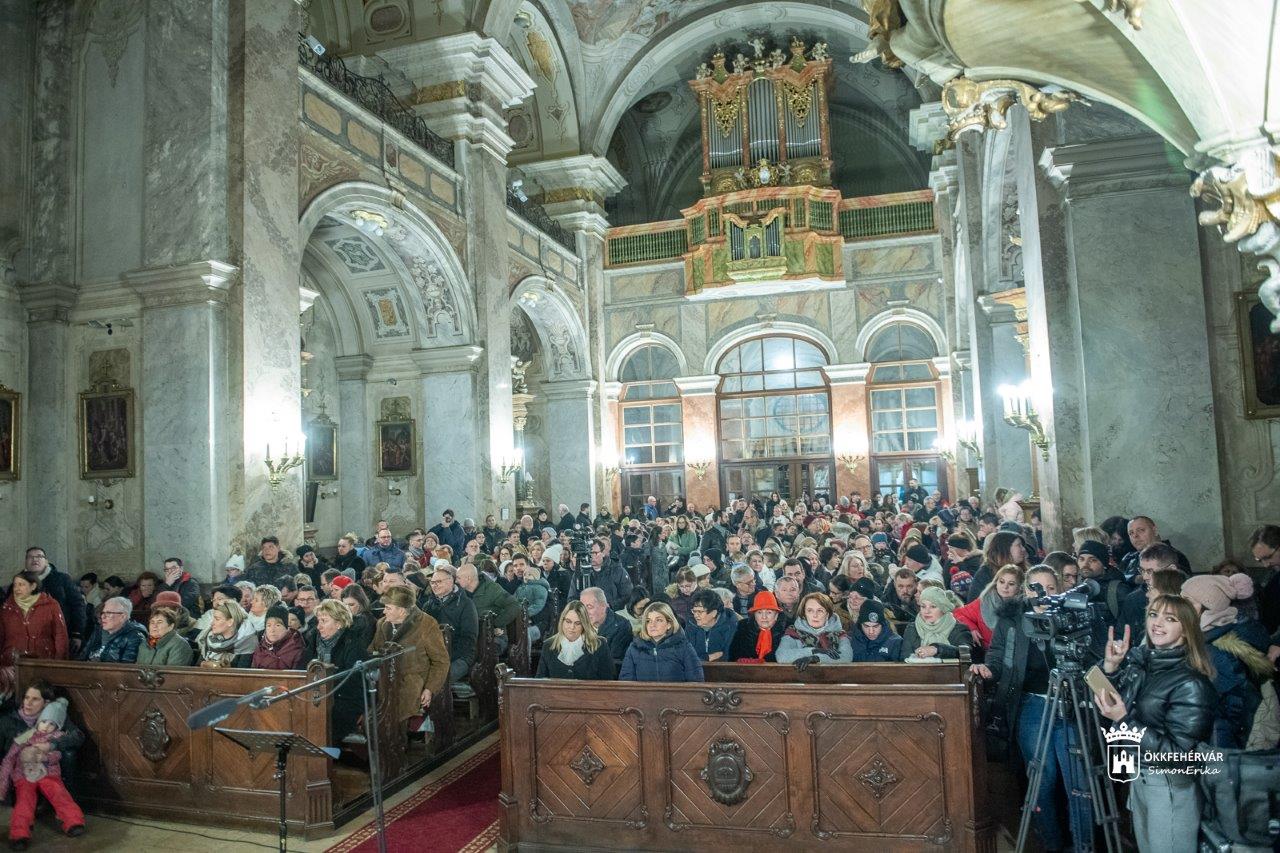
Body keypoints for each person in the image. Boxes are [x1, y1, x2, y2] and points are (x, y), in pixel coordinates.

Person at [971, 566, 1095, 851]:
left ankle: (1083, 846)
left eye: (1051, 588)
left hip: (1070, 704)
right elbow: (997, 656)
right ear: (1026, 590)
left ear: (1061, 590)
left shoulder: (1072, 616)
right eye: (1036, 588)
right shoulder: (1012, 620)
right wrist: (988, 669)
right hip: (1032, 704)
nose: (1044, 594)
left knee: (1078, 781)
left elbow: (1090, 657)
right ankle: (1051, 844)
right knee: (1042, 778)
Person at [1094, 596, 1216, 853]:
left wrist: (1124, 722)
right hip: (1140, 777)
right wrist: (1111, 668)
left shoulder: (1191, 683)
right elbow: (1120, 706)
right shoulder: (1144, 664)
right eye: (1153, 615)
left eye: (1170, 619)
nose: (1157, 624)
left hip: (1168, 784)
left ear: (1186, 630)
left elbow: (1181, 756)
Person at [1181, 573, 1274, 748]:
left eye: (1187, 601)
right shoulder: (1211, 635)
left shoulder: (1214, 651)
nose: (1179, 607)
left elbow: (1229, 711)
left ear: (1208, 608)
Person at [0, 697, 85, 848]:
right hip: (25, 775)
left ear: (57, 726)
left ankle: (74, 822)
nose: (46, 727)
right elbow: (10, 757)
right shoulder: (26, 735)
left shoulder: (57, 737)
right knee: (25, 800)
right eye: (44, 721)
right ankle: (19, 834)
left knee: (59, 793)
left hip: (49, 774)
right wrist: (3, 784)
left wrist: (47, 756)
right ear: (39, 721)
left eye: (52, 724)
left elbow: (59, 755)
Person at [371, 586, 450, 734]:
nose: (383, 611)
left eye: (388, 608)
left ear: (401, 610)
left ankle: (395, 743)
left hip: (413, 681)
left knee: (393, 713)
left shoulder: (426, 624)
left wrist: (430, 688)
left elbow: (441, 661)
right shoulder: (382, 624)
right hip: (384, 679)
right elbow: (373, 652)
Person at [303, 599, 370, 742]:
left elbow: (353, 682)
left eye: (324, 621)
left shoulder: (353, 644)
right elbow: (301, 668)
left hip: (344, 701)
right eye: (318, 621)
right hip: (318, 697)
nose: (319, 626)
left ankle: (324, 759)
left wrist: (323, 687)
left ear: (339, 623)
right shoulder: (314, 641)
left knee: (321, 718)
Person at [0, 570, 69, 700]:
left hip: (42, 663)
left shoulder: (51, 605)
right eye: (15, 585)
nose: (17, 588)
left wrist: (60, 665)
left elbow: (61, 636)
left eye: (21, 584)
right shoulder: (6, 608)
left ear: (33, 586)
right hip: (11, 665)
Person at [21, 548, 87, 654]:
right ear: (25, 562)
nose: (35, 560)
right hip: (26, 640)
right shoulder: (18, 582)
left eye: (39, 556)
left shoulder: (62, 579)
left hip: (59, 636)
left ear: (46, 561)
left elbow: (78, 605)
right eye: (30, 557)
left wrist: (77, 633)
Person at [619, 602, 703, 682]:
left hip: (676, 696)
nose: (652, 625)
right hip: (643, 696)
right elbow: (626, 682)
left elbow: (696, 681)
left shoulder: (684, 647)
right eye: (648, 621)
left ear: (669, 624)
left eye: (658, 620)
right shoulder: (634, 648)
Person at [422, 566, 478, 683]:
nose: (434, 585)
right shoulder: (428, 605)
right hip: (434, 656)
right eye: (432, 582)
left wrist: (445, 656)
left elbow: (469, 638)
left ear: (451, 581)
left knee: (439, 679)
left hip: (460, 656)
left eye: (439, 582)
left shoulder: (466, 604)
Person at [536, 601, 616, 680]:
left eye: (577, 623)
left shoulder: (599, 645)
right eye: (568, 622)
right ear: (562, 621)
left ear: (584, 625)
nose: (572, 627)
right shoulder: (548, 645)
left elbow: (609, 682)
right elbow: (540, 683)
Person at [776, 592, 853, 669]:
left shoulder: (840, 634)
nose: (815, 615)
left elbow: (846, 657)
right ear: (804, 613)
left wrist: (816, 658)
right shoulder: (793, 632)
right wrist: (814, 651)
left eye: (820, 610)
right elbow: (781, 656)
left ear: (828, 614)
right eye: (810, 610)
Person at [954, 565, 1025, 649]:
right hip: (986, 654)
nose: (1005, 587)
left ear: (1019, 587)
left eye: (1011, 584)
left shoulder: (1025, 606)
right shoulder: (983, 601)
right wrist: (972, 628)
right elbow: (958, 613)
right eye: (1002, 582)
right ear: (996, 582)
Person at [899, 587, 972, 661]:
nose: (926, 611)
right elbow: (905, 659)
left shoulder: (958, 629)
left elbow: (966, 652)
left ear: (943, 609)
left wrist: (937, 649)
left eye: (933, 606)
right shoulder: (912, 628)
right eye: (923, 606)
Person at [1076, 539, 1132, 624]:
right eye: (1081, 559)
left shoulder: (1118, 590)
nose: (1085, 564)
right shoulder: (1076, 585)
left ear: (1104, 564)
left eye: (1092, 560)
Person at [78, 597, 146, 663]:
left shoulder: (134, 636)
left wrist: (99, 665)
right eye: (103, 613)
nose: (102, 617)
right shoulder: (98, 630)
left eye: (108, 613)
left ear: (123, 616)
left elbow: (126, 669)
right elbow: (83, 656)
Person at [966, 532, 1028, 603]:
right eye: (1019, 545)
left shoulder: (1022, 571)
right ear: (1005, 549)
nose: (1023, 549)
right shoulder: (985, 574)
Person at [729, 591, 789, 663]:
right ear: (754, 615)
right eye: (759, 612)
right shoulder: (742, 628)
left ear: (776, 615)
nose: (764, 617)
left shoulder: (787, 630)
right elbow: (733, 656)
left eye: (769, 612)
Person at [580, 587, 632, 665]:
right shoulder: (577, 624)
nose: (585, 612)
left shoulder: (622, 626)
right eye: (582, 608)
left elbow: (614, 662)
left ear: (603, 606)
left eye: (589, 607)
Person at [196, 600, 253, 668]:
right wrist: (205, 664)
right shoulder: (210, 639)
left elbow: (242, 675)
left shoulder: (245, 644)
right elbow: (197, 667)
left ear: (230, 622)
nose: (212, 623)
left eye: (217, 619)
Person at [685, 589, 738, 662]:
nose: (696, 615)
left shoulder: (731, 626)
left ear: (714, 613)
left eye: (700, 612)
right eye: (694, 611)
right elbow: (686, 657)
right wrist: (707, 658)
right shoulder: (691, 626)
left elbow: (728, 656)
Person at [339, 585, 376, 650]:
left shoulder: (365, 621)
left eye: (351, 605)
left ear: (361, 603)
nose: (347, 609)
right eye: (344, 605)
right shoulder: (348, 618)